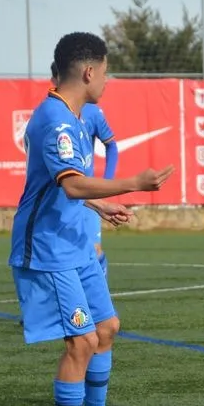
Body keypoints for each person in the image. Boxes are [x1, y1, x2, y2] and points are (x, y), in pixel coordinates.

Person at [8, 31, 174, 406]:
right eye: (105, 71)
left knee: (107, 327)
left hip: (75, 244)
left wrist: (100, 205)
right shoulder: (56, 121)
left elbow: (63, 185)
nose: (106, 80)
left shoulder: (77, 116)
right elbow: (72, 184)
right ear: (88, 71)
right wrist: (133, 183)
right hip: (49, 251)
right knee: (82, 341)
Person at [51, 61, 119, 277]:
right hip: (63, 196)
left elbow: (111, 146)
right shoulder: (53, 115)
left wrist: (107, 183)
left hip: (86, 193)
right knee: (65, 255)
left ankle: (99, 294)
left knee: (94, 251)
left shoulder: (92, 113)